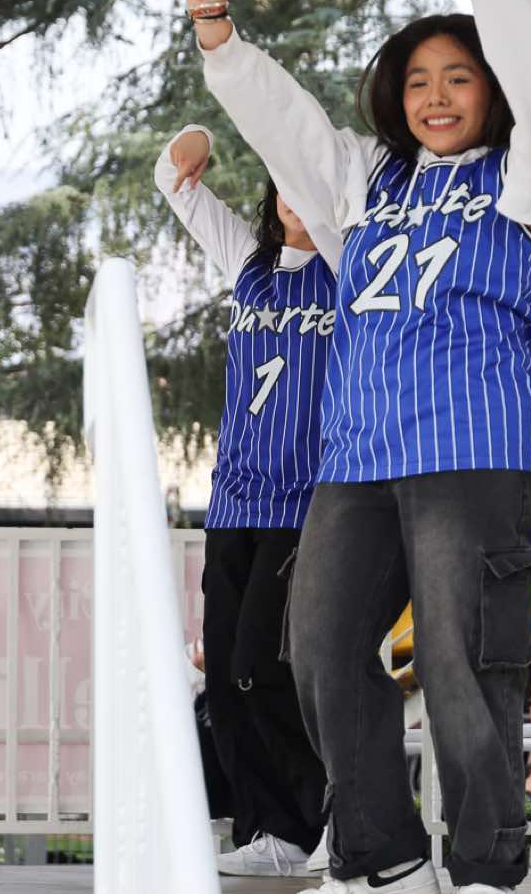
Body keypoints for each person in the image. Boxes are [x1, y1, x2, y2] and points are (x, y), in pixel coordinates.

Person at [186, 0, 531, 894]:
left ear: (491, 90)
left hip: (471, 451)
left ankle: (485, 864)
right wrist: (219, 36)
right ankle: (383, 854)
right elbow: (288, 127)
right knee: (316, 648)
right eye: (417, 82)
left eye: (458, 78)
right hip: (356, 457)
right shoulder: (369, 178)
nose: (435, 97)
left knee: (463, 661)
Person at [158, 127, 340, 876]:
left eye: (310, 182)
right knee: (228, 676)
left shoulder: (351, 267)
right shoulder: (249, 262)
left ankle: (324, 817)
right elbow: (173, 182)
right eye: (284, 180)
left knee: (268, 665)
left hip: (305, 503)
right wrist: (194, 144)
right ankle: (270, 832)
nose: (296, 196)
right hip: (233, 501)